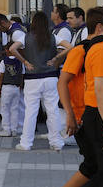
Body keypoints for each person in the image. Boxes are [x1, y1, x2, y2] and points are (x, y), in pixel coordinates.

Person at [42, 6, 103, 187]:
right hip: (83, 116)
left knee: (98, 167)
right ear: (100, 26)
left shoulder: (100, 49)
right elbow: (63, 82)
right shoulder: (82, 50)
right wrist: (70, 114)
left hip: (90, 115)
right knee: (95, 167)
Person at [55, 2, 103, 187]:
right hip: (93, 116)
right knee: (101, 170)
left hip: (96, 115)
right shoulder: (95, 48)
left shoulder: (101, 47)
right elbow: (99, 89)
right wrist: (71, 114)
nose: (68, 21)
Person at [9, 11, 64, 151]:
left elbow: (12, 48)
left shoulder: (25, 37)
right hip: (51, 77)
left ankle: (26, 143)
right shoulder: (52, 37)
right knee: (53, 110)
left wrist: (25, 61)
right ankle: (56, 142)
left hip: (32, 78)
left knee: (31, 111)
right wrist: (55, 59)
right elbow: (70, 47)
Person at [0, 44, 24, 137]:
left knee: (5, 109)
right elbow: (22, 76)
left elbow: (1, 77)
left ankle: (6, 129)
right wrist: (20, 87)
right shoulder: (20, 62)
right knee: (14, 109)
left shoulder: (4, 61)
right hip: (16, 87)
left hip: (6, 87)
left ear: (7, 50)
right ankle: (14, 129)